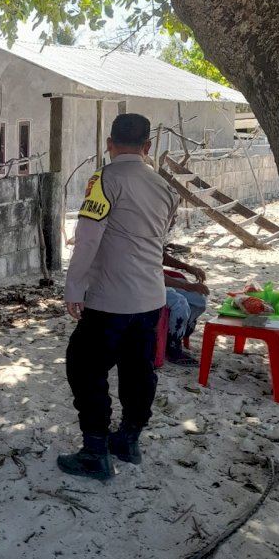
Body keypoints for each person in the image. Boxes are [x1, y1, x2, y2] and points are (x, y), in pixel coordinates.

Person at [58, 114, 178, 480]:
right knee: (139, 371)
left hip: (110, 299)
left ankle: (96, 451)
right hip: (151, 298)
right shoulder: (164, 186)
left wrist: (74, 288)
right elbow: (163, 234)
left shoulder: (103, 180)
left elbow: (88, 240)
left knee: (85, 369)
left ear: (109, 144)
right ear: (148, 147)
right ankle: (128, 439)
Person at [163, 248, 209, 366]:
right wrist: (186, 286)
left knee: (199, 298)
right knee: (180, 303)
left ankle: (181, 331)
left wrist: (187, 267)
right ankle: (173, 348)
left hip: (159, 277)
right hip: (142, 282)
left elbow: (160, 255)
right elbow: (152, 271)